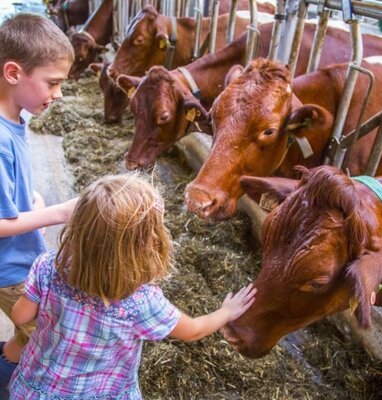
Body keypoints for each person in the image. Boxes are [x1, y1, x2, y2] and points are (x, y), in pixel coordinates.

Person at [8, 173, 257, 399]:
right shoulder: (141, 303)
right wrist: (226, 312)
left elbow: (20, 315)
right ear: (146, 245)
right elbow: (193, 330)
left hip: (35, 388)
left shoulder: (49, 266)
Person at [0, 12, 77, 392]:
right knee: (51, 334)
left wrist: (29, 200)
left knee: (31, 327)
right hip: (10, 268)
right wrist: (58, 212)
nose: (58, 94)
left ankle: (7, 357)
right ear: (13, 73)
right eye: (53, 83)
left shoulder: (14, 118)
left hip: (18, 257)